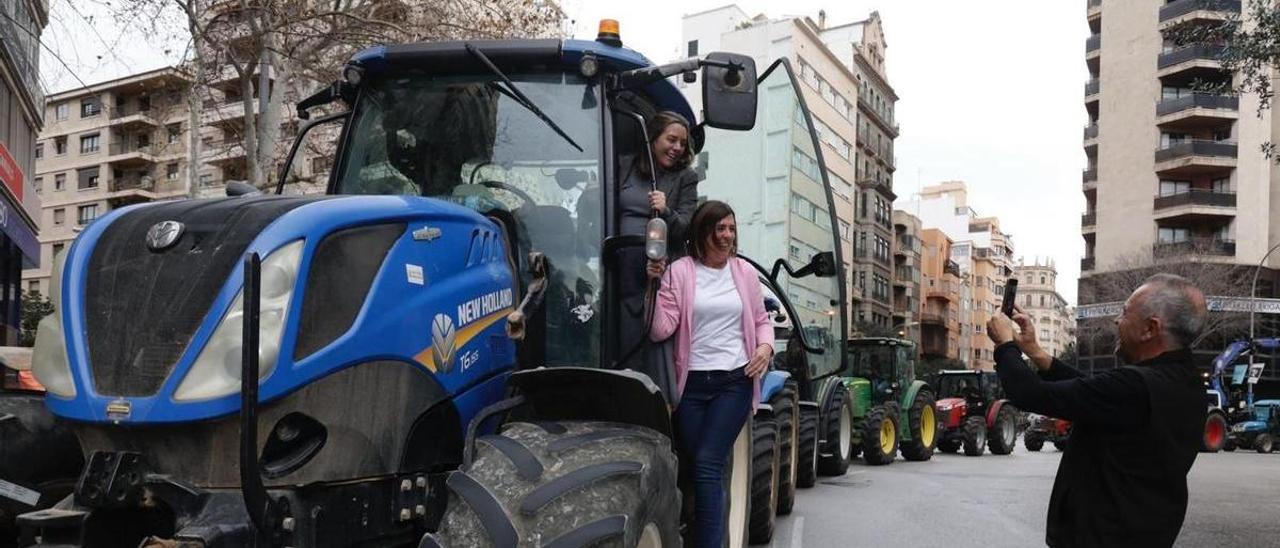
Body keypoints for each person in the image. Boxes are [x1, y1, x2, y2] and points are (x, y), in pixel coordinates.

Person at [986, 273, 1207, 548]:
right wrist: (1035, 352)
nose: (1117, 321)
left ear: (1150, 328)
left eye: (1125, 313)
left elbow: (1030, 393)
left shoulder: (1135, 386)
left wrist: (1005, 345)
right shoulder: (1186, 382)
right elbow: (1094, 393)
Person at [647, 200, 774, 548]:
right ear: (703, 232)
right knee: (698, 470)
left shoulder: (745, 273)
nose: (727, 236)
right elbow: (661, 329)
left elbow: (762, 323)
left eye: (731, 229)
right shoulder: (679, 272)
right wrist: (653, 287)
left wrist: (765, 347)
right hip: (691, 388)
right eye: (720, 229)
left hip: (734, 382)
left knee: (706, 464)